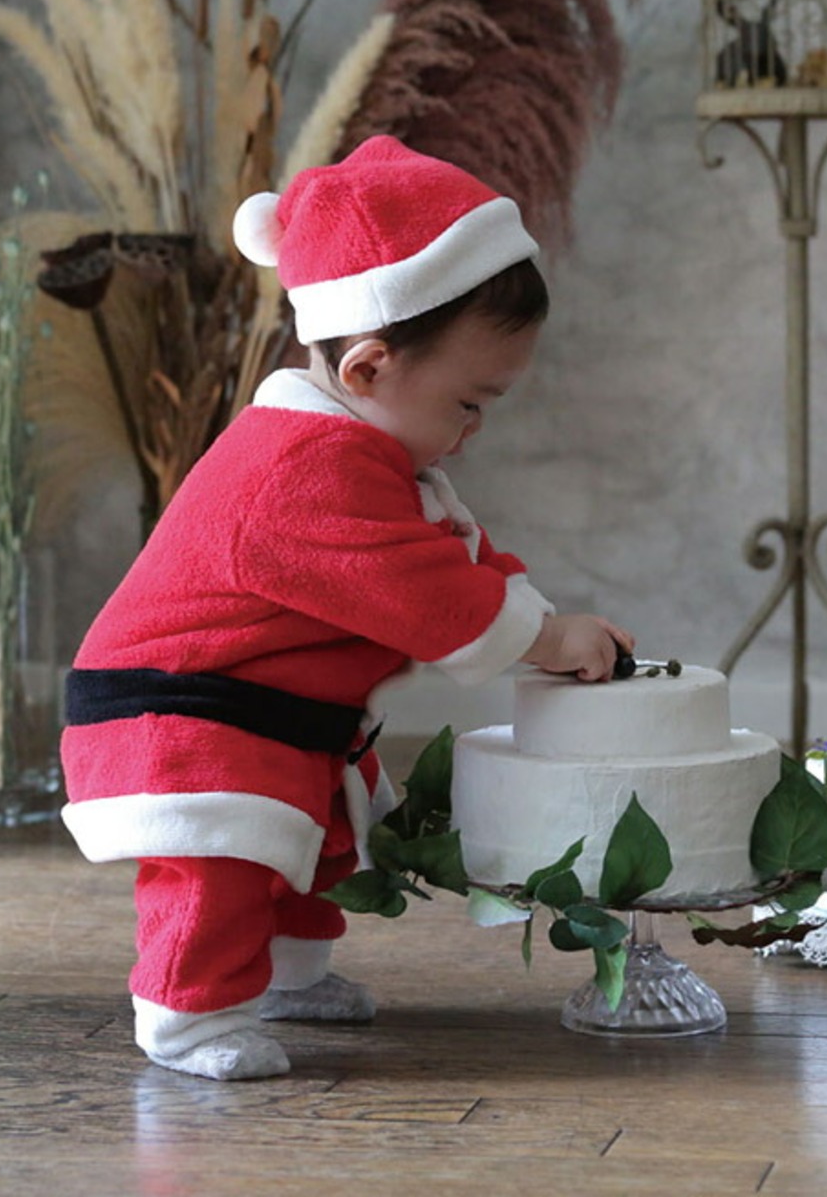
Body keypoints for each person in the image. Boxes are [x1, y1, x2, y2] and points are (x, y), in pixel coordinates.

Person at [60, 135, 633, 1081]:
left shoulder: (363, 453)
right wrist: (543, 636)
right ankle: (187, 1016)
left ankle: (288, 976)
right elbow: (418, 588)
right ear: (367, 368)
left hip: (270, 705)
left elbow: (450, 548)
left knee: (314, 844)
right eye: (470, 402)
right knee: (220, 862)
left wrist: (545, 625)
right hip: (179, 711)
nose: (474, 429)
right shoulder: (298, 467)